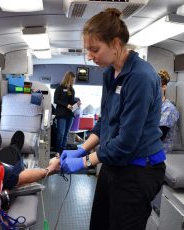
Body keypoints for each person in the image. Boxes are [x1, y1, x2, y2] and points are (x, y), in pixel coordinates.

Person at [60, 8, 166, 230]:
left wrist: (84, 162)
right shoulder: (109, 73)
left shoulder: (141, 77)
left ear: (116, 44)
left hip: (138, 171)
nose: (90, 56)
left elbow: (127, 142)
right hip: (114, 163)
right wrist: (82, 148)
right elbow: (105, 121)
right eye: (88, 50)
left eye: (95, 49)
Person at [54, 71, 81, 153]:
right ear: (68, 79)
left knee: (66, 134)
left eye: (74, 80)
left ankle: (63, 151)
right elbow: (56, 100)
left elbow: (71, 101)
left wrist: (77, 103)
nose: (73, 82)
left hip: (69, 114)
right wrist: (66, 105)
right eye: (72, 80)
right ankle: (57, 151)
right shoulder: (59, 88)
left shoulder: (72, 90)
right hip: (61, 114)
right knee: (60, 134)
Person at [158, 69, 180, 154]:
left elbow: (159, 136)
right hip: (148, 150)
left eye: (156, 86)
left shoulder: (169, 109)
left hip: (160, 153)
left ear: (164, 87)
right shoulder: (153, 106)